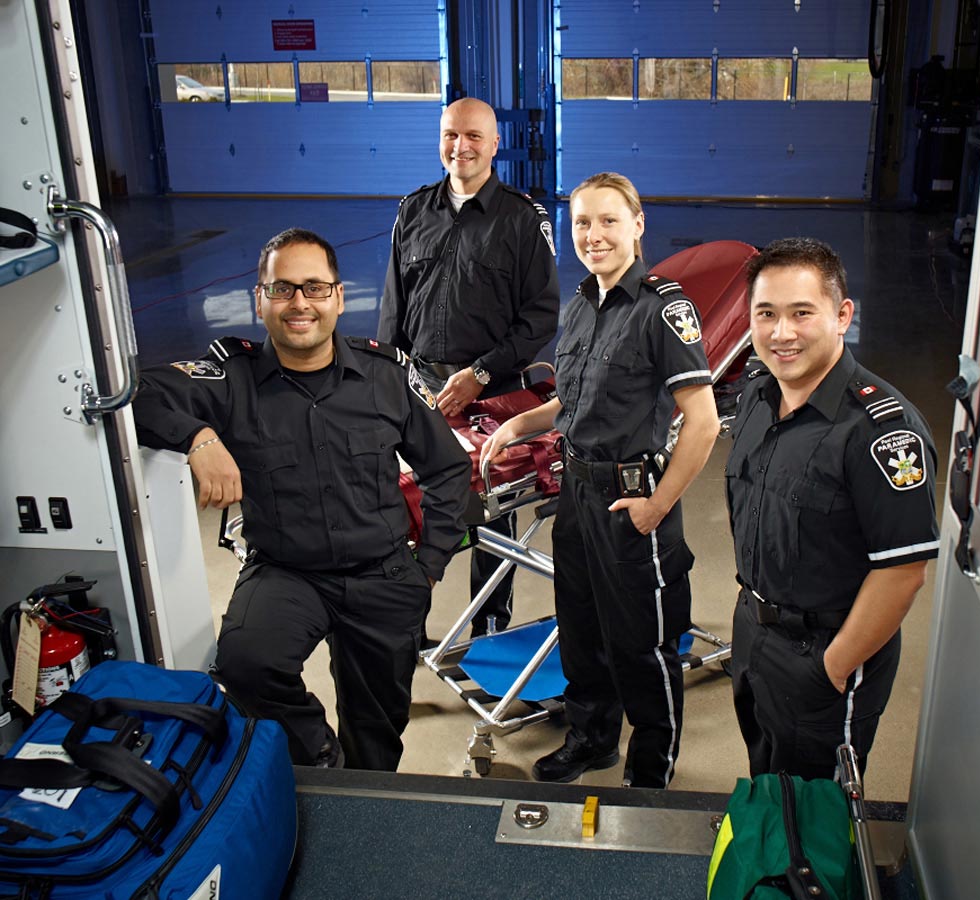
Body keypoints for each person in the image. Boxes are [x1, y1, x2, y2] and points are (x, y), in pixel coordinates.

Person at [132, 227, 470, 771]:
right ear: (259, 300)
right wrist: (199, 437)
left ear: (338, 297)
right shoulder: (229, 378)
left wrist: (427, 566)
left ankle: (367, 800)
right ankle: (319, 757)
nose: (299, 304)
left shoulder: (386, 376)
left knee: (378, 729)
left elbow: (449, 469)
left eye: (314, 288)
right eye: (282, 289)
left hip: (382, 576)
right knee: (246, 668)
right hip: (286, 572)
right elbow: (134, 391)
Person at [481, 172, 720, 788]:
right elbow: (570, 399)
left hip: (633, 496)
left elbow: (703, 422)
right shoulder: (582, 303)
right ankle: (591, 740)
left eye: (609, 220)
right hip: (577, 492)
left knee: (644, 644)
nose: (593, 235)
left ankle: (651, 767)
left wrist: (657, 506)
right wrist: (516, 427)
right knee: (582, 628)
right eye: (582, 222)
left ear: (638, 225)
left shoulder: (663, 309)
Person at [725, 237, 939, 780]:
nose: (782, 334)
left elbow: (903, 572)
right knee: (769, 781)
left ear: (843, 315)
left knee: (817, 815)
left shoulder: (882, 432)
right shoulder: (757, 393)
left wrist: (835, 667)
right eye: (765, 314)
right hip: (754, 631)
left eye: (802, 313)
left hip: (825, 653)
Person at [378, 96, 560, 638]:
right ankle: (406, 629)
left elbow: (539, 317)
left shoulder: (524, 219)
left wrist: (480, 373)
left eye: (474, 136)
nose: (461, 147)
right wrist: (388, 378)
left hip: (491, 392)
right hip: (418, 387)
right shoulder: (412, 210)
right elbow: (393, 307)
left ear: (495, 143)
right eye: (451, 135)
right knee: (402, 507)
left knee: (491, 509)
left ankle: (490, 631)